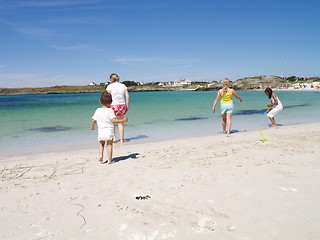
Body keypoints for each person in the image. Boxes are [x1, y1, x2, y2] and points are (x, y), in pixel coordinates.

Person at [91, 91, 128, 164]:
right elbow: (113, 120)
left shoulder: (98, 110)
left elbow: (94, 120)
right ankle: (109, 160)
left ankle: (101, 157)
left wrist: (92, 127)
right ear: (111, 102)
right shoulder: (110, 110)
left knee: (101, 144)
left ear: (100, 101)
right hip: (109, 131)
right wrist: (122, 120)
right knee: (109, 145)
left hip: (101, 131)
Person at [106, 73, 130, 143]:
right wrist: (127, 106)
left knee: (112, 122)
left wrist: (107, 106)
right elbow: (127, 96)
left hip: (112, 106)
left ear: (111, 79)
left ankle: (114, 138)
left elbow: (107, 97)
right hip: (121, 105)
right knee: (120, 123)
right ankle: (122, 140)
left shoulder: (109, 86)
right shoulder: (123, 86)